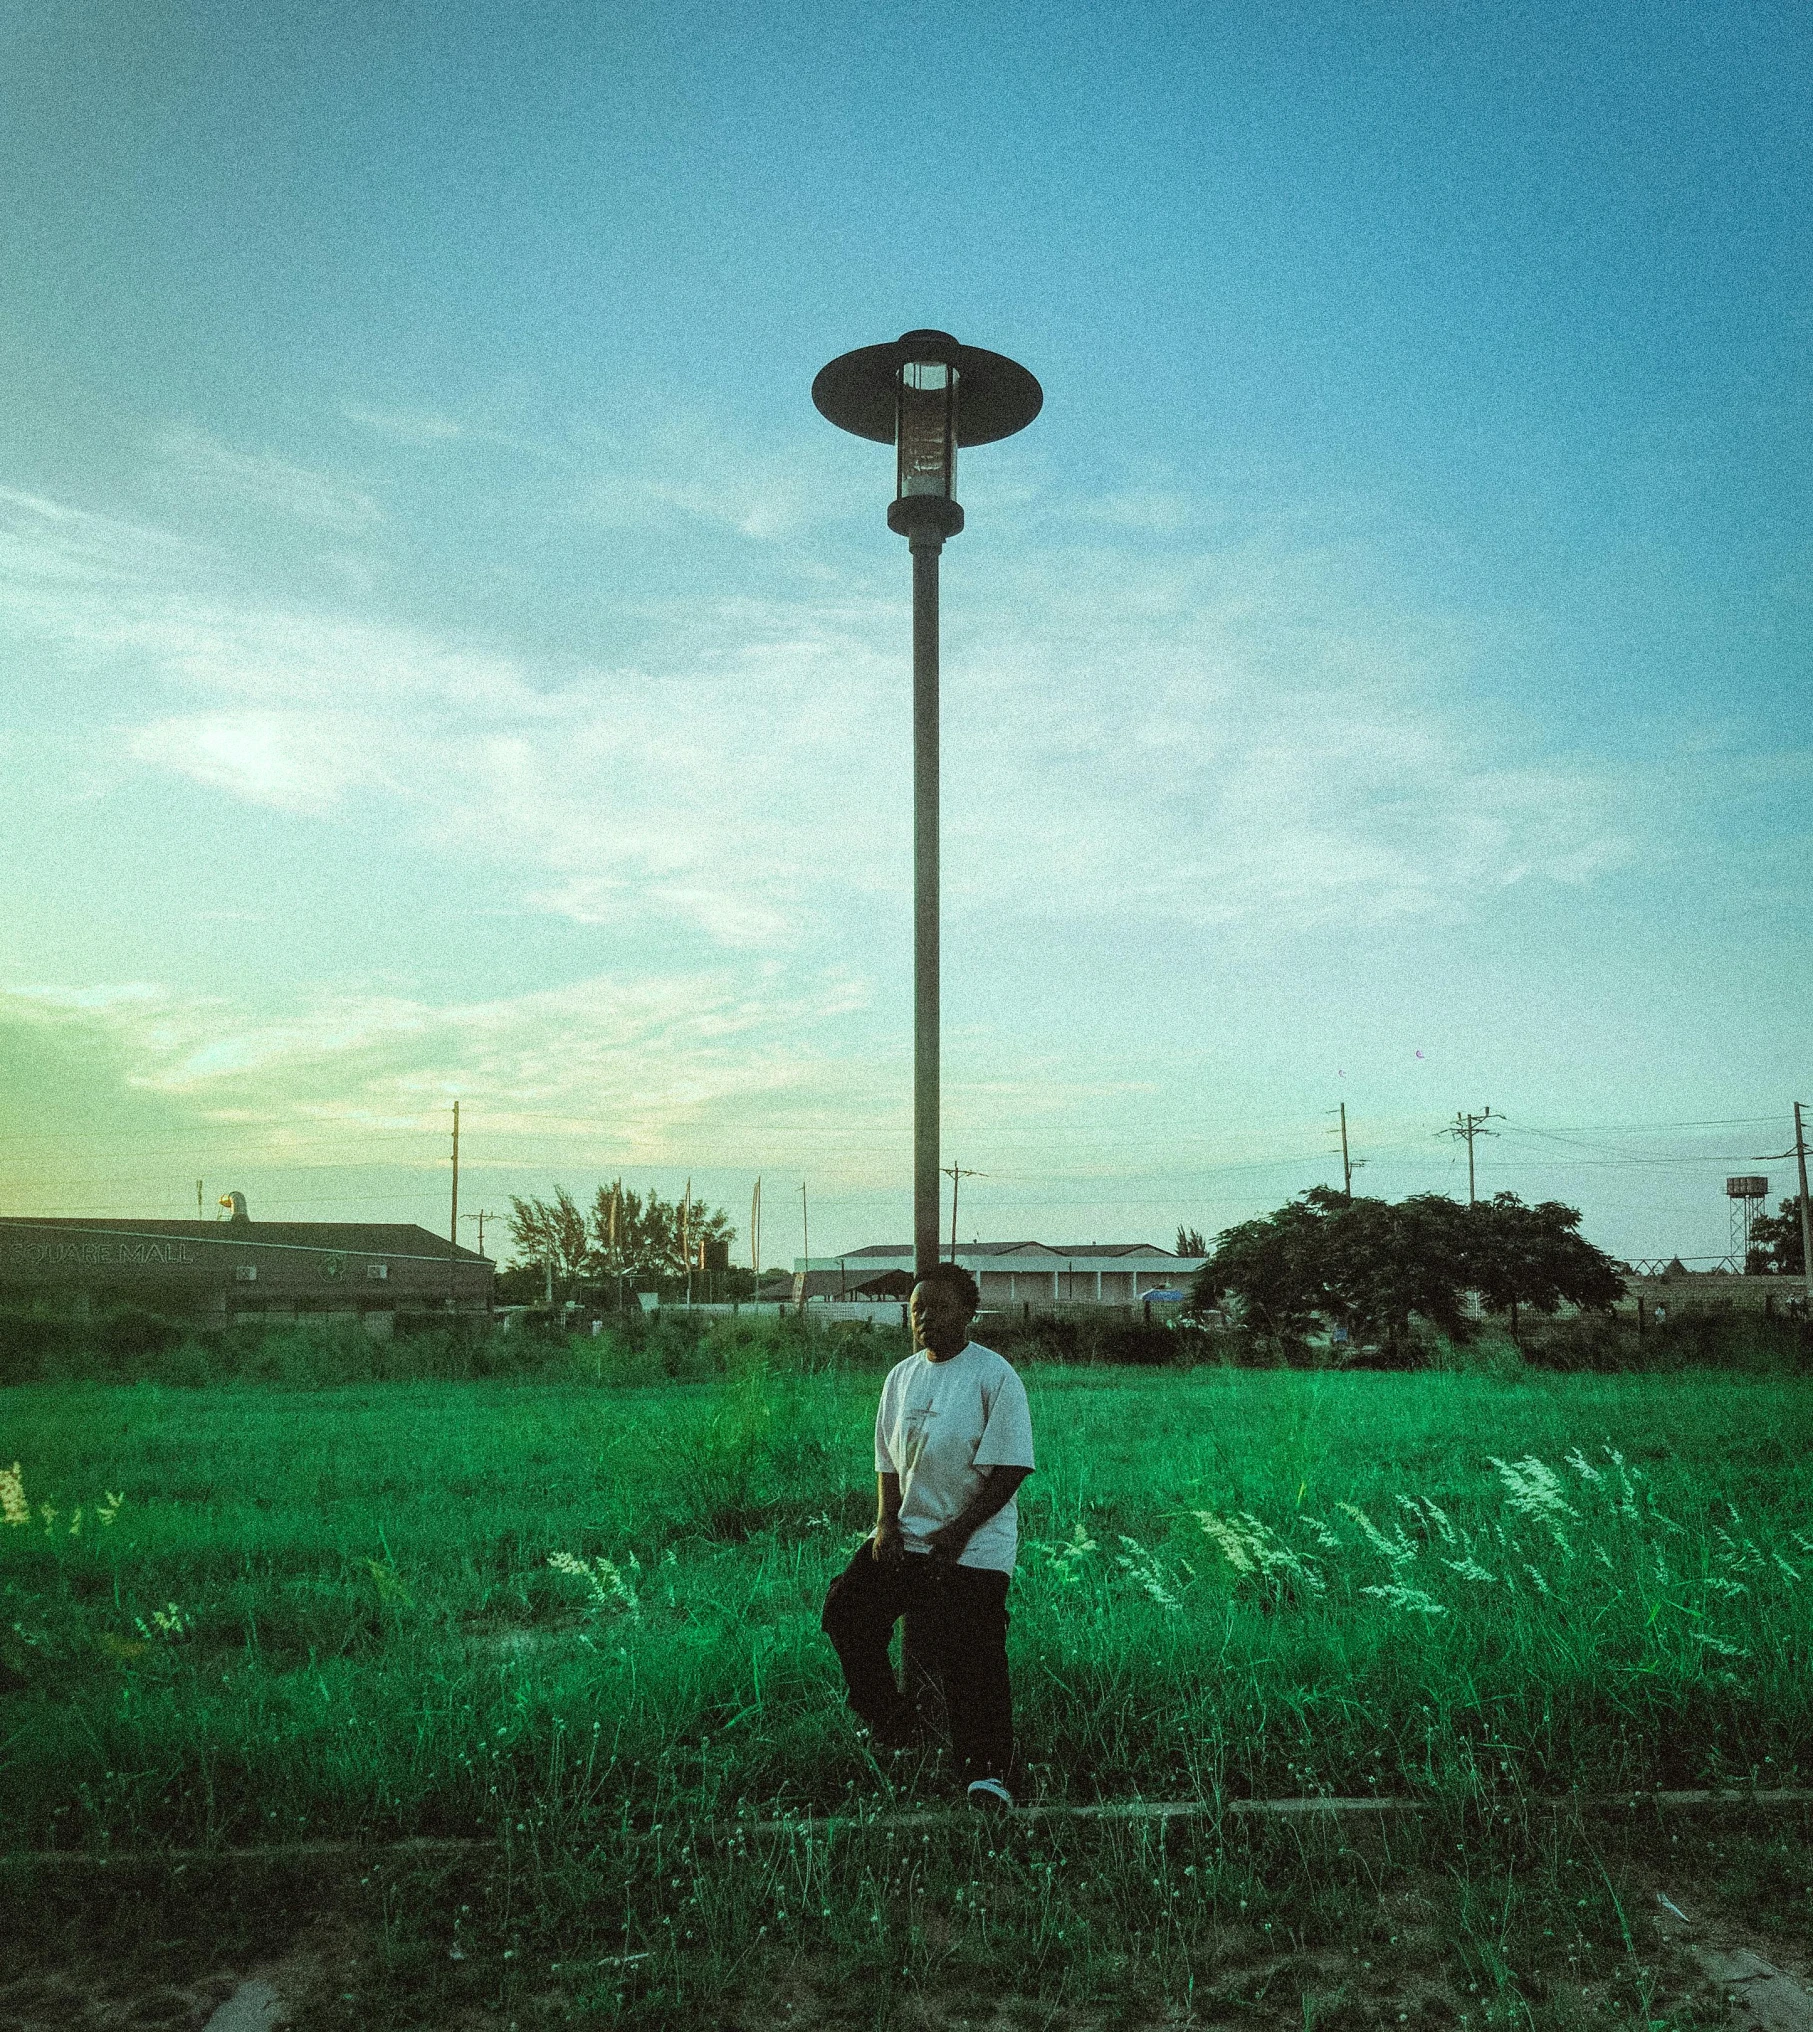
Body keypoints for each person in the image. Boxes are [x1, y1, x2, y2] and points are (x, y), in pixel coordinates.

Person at [819, 1260, 1035, 1813]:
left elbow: (1010, 1468)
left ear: (968, 1312)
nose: (924, 1319)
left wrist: (957, 1536)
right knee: (846, 1610)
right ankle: (895, 1725)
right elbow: (887, 1462)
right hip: (909, 1539)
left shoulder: (995, 1377)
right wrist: (886, 1523)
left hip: (975, 1549)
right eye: (916, 1310)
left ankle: (987, 1773)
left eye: (938, 1307)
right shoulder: (900, 1377)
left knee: (972, 1650)